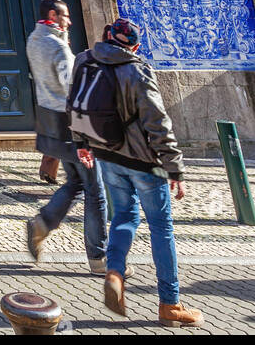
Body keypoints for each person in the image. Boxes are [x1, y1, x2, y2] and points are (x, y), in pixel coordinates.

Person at [72, 18, 202, 327]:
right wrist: (174, 168)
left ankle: (115, 271)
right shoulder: (138, 68)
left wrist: (82, 143)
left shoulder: (84, 60)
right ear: (136, 45)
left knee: (124, 217)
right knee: (161, 228)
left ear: (104, 38)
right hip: (143, 162)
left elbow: (75, 104)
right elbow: (157, 123)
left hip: (106, 156)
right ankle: (170, 304)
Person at [24, 0, 108, 273]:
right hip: (73, 125)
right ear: (53, 15)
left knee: (76, 182)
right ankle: (99, 257)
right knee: (96, 191)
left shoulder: (34, 40)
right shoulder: (57, 47)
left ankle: (43, 223)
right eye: (66, 17)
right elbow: (73, 89)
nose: (69, 21)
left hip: (51, 123)